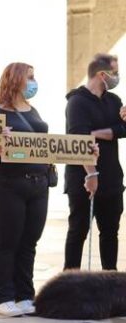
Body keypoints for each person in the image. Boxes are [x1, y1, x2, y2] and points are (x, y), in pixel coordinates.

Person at [0, 63, 50, 317]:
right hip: (4, 186)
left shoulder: (32, 109)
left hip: (37, 185)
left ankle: (25, 295)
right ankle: (3, 297)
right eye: (30, 77)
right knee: (5, 242)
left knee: (29, 242)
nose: (34, 82)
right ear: (16, 80)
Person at [64, 54, 125, 271]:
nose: (117, 77)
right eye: (115, 72)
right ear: (102, 74)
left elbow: (123, 129)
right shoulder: (77, 102)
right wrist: (91, 175)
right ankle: (69, 282)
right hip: (83, 179)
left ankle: (111, 281)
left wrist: (96, 132)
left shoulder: (114, 100)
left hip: (112, 179)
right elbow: (79, 140)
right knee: (78, 231)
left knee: (110, 233)